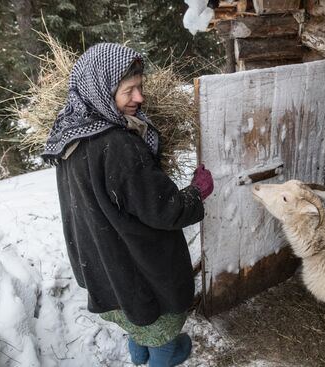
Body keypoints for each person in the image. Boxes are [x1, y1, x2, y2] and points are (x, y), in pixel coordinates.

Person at [42, 43, 214, 367]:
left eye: (140, 87)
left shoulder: (68, 136)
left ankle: (139, 357)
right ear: (102, 91)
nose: (139, 98)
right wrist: (197, 191)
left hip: (104, 268)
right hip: (139, 269)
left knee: (135, 321)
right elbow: (167, 209)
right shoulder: (118, 146)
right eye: (128, 90)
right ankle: (162, 357)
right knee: (160, 333)